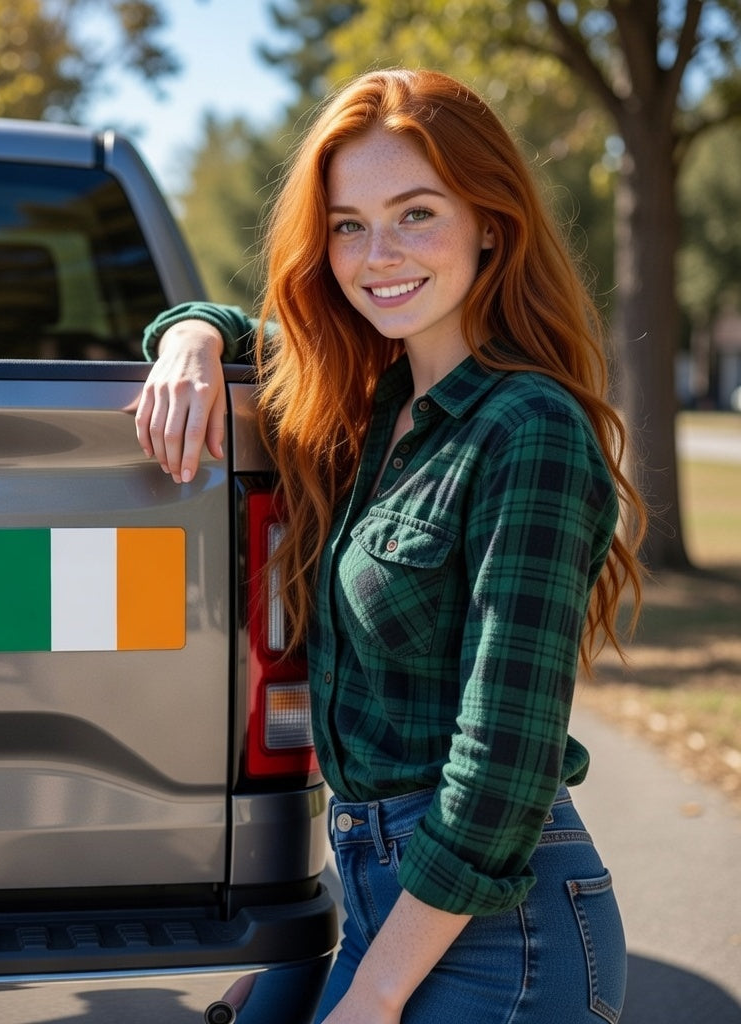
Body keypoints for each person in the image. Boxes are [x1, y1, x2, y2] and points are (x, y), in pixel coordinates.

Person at [135, 68, 646, 1024]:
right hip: (375, 888)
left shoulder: (528, 427)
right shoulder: (370, 405)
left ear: (490, 222)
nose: (379, 254)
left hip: (502, 935)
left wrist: (371, 990)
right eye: (348, 223)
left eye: (416, 214)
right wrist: (191, 341)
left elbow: (503, 765)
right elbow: (254, 333)